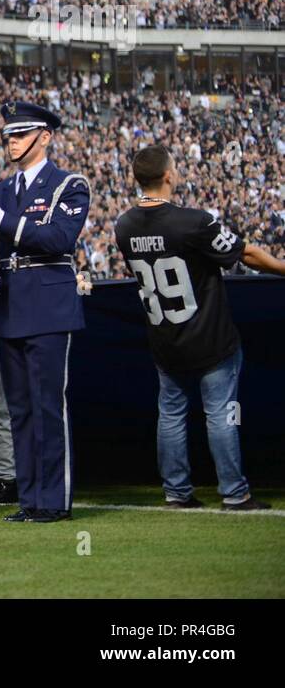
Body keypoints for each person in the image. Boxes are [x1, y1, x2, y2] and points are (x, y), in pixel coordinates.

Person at [113, 145, 285, 511]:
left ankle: (176, 493)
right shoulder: (193, 221)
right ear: (169, 176)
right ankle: (234, 493)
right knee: (220, 414)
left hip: (164, 338)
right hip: (208, 336)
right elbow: (245, 254)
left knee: (171, 415)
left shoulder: (123, 225)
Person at [0, 102, 89, 523]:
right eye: (9, 136)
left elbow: (58, 238)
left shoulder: (68, 184)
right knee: (18, 408)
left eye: (21, 135)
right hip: (9, 305)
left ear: (45, 136)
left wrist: (6, 222)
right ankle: (30, 499)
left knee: (46, 406)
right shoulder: (0, 188)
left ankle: (54, 500)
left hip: (47, 305)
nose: (12, 142)